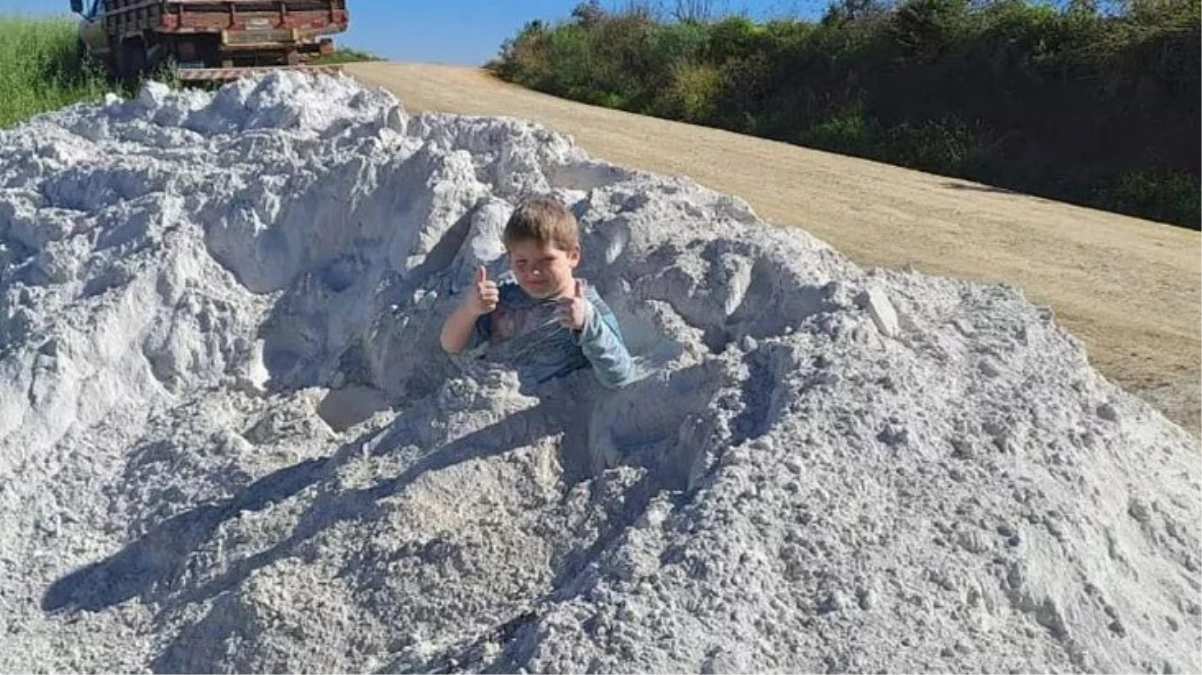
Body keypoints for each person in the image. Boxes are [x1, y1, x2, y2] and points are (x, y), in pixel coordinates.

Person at [439, 196, 634, 390]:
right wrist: (470, 310)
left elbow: (621, 376)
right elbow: (452, 345)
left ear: (573, 256)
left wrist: (588, 325)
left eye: (546, 260)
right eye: (521, 262)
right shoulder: (506, 300)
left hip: (541, 410)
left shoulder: (586, 309)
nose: (533, 272)